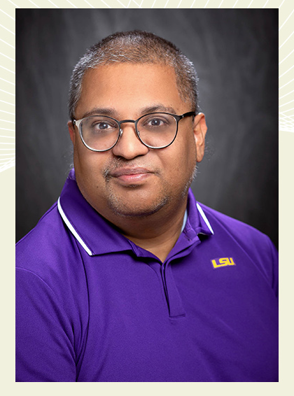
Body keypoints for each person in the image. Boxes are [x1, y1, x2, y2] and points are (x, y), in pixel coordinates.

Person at [16, 31, 278, 382]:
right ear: (75, 139)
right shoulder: (28, 283)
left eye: (156, 122)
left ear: (197, 136)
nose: (128, 149)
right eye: (102, 125)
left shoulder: (258, 252)